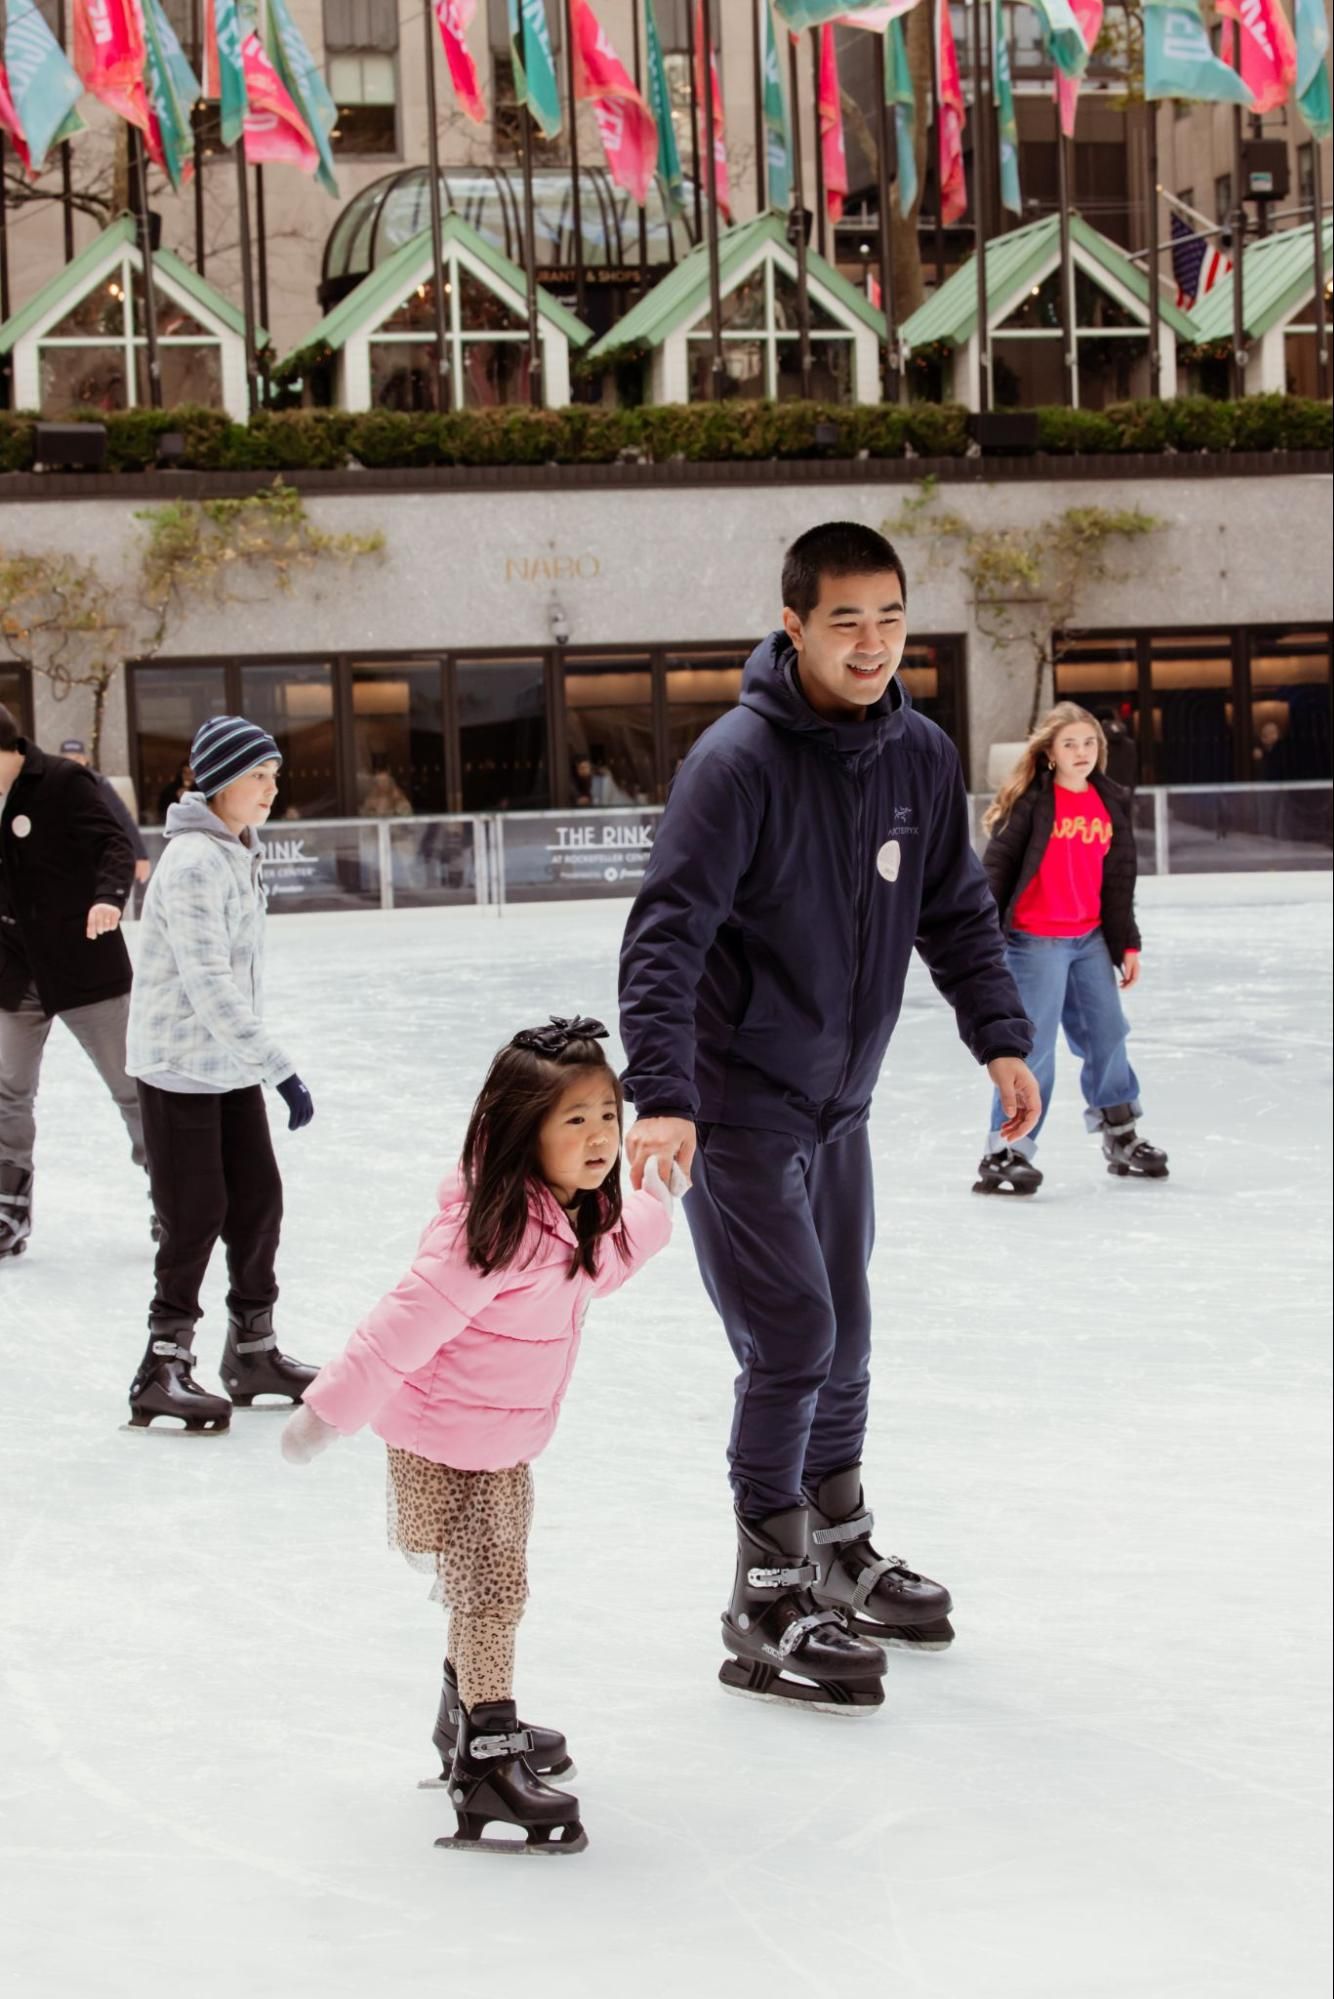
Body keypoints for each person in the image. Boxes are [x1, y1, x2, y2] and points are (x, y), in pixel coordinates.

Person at [617, 521, 1039, 1715]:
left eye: (888, 618)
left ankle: (837, 1547)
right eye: (844, 619)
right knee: (793, 1334)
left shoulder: (912, 753)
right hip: (738, 1104)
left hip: (837, 1104)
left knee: (844, 1330)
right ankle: (762, 1592)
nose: (870, 643)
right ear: (792, 622)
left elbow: (954, 911)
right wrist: (663, 1094)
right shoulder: (735, 763)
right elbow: (666, 938)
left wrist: (998, 1035)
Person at [280, 1016, 682, 1857]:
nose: (600, 1135)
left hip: (498, 1443)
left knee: (488, 1591)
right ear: (519, 1130)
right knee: (493, 1593)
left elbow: (602, 1265)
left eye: (608, 1113)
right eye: (574, 1120)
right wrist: (327, 1412)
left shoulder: (569, 1216)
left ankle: (468, 1722)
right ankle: (486, 1761)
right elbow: (400, 1325)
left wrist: (653, 1201)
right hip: (438, 1443)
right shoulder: (488, 1234)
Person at [124, 715, 319, 1432]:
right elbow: (209, 983)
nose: (271, 789)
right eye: (257, 776)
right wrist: (281, 1068)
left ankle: (253, 1348)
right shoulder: (195, 861)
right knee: (194, 1214)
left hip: (225, 1064)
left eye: (274, 775)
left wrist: (254, 1063)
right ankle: (162, 1363)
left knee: (257, 1201)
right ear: (217, 782)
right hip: (180, 1064)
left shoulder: (235, 848)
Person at [974, 702, 1168, 1197]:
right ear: (1050, 754)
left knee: (1107, 1036)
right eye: (1070, 744)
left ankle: (1121, 1135)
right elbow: (995, 870)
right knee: (1032, 1050)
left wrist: (1127, 943)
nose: (1082, 752)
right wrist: (981, 940)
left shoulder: (1110, 801)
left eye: (1089, 743)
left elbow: (1119, 880)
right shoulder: (1033, 804)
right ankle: (1006, 1150)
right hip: (1035, 941)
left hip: (1089, 941)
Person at [0, 702, 151, 1261]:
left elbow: (114, 843)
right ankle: (7, 1209)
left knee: (133, 1089)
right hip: (15, 973)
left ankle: (174, 1200)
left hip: (85, 966)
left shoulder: (63, 781)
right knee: (7, 1092)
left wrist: (108, 898)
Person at [58, 740, 152, 885]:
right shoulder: (53, 783)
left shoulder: (97, 783)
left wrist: (141, 855)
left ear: (85, 760)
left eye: (76, 759)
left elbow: (123, 817)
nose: (72, 764)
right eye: (67, 759)